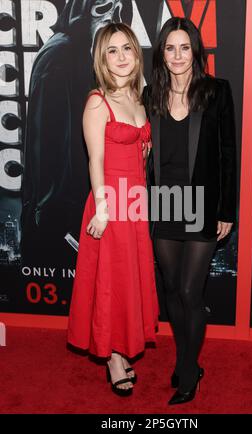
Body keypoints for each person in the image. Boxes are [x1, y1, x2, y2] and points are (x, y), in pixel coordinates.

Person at [143, 17, 237, 405]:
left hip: (201, 204)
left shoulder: (216, 92)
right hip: (164, 202)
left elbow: (228, 155)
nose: (178, 55)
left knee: (188, 290)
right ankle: (188, 362)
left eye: (185, 47)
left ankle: (186, 370)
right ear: (161, 53)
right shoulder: (150, 95)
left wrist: (226, 209)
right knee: (170, 290)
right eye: (170, 47)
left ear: (195, 51)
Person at [67, 23, 159, 397]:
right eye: (112, 51)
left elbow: (141, 150)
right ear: (101, 59)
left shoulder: (139, 99)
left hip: (135, 203)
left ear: (137, 54)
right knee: (109, 281)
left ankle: (122, 346)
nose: (121, 57)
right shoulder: (97, 101)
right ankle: (113, 358)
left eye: (127, 49)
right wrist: (102, 210)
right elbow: (95, 160)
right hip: (110, 204)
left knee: (129, 279)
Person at [20, 0, 130, 268]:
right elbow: (46, 147)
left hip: (77, 212)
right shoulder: (60, 55)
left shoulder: (82, 52)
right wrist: (56, 220)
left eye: (117, 7)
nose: (113, 16)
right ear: (83, 9)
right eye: (103, 7)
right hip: (59, 222)